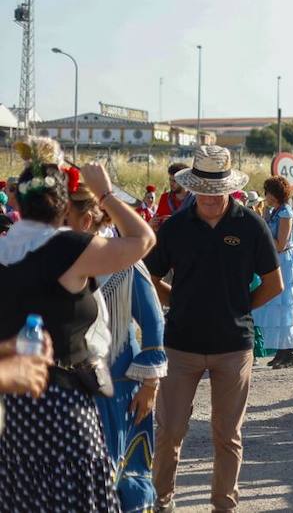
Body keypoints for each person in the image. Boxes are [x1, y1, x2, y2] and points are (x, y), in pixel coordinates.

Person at [0, 138, 156, 512]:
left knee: (21, 496)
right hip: (63, 405)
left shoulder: (4, 248)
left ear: (17, 205)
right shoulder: (71, 248)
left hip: (11, 405)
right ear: (65, 206)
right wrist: (105, 193)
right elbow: (143, 240)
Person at [144, 145, 283, 513]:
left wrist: (238, 308)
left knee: (227, 435)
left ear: (229, 188)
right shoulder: (175, 227)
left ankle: (224, 506)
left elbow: (274, 283)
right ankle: (161, 503)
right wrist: (176, 300)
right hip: (180, 345)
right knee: (170, 431)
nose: (209, 198)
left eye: (215, 190)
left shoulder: (250, 224)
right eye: (202, 191)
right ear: (192, 188)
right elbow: (149, 276)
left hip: (233, 345)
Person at [94, 205, 168, 513]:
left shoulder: (125, 262)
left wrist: (150, 384)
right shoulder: (59, 259)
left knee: (124, 469)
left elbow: (153, 322)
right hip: (78, 383)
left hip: (122, 381)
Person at [253, 176, 293, 369]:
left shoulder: (286, 213)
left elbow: (280, 244)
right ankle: (281, 352)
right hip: (275, 261)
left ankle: (289, 352)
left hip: (284, 262)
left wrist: (263, 230)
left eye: (268, 193)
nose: (266, 196)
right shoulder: (274, 212)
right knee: (275, 308)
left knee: (284, 307)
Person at [154, 163, 193, 228]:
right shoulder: (165, 198)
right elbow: (158, 223)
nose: (171, 183)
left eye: (174, 181)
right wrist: (153, 223)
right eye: (170, 180)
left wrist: (174, 221)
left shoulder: (195, 200)